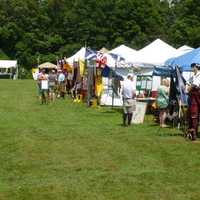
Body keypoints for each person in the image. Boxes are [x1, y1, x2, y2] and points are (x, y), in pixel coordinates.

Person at [186, 63, 200, 141]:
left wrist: (187, 89)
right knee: (193, 114)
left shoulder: (199, 75)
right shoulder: (193, 76)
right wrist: (186, 87)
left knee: (194, 114)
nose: (191, 69)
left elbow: (195, 85)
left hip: (197, 96)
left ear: (196, 67)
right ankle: (193, 133)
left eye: (192, 67)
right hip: (193, 97)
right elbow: (188, 83)